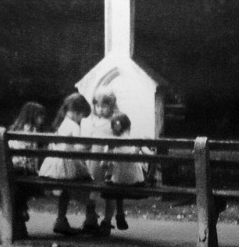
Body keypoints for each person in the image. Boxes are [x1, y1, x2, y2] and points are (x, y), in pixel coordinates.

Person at [38, 92, 92, 236]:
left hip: (56, 165)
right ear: (76, 112)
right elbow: (71, 148)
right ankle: (91, 219)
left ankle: (61, 220)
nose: (81, 119)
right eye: (81, 116)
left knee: (67, 190)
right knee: (88, 183)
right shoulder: (73, 126)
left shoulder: (62, 123)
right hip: (66, 166)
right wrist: (85, 147)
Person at [99, 113, 155, 236]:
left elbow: (103, 165)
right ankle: (120, 214)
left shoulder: (111, 143)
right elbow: (151, 155)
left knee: (114, 182)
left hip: (116, 181)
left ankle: (107, 221)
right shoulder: (136, 140)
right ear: (129, 127)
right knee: (119, 180)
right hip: (135, 181)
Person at [80, 87, 119, 235]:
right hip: (94, 160)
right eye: (97, 106)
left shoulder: (115, 120)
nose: (100, 109)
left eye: (104, 105)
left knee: (110, 192)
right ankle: (90, 218)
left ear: (112, 105)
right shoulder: (92, 121)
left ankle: (107, 221)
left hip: (109, 160)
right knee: (92, 189)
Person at [7, 101, 46, 223]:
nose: (42, 119)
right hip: (22, 170)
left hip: (10, 168)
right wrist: (36, 171)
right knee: (30, 182)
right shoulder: (30, 130)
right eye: (41, 116)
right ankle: (21, 209)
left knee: (20, 186)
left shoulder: (15, 128)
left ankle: (20, 209)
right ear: (33, 116)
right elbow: (29, 158)